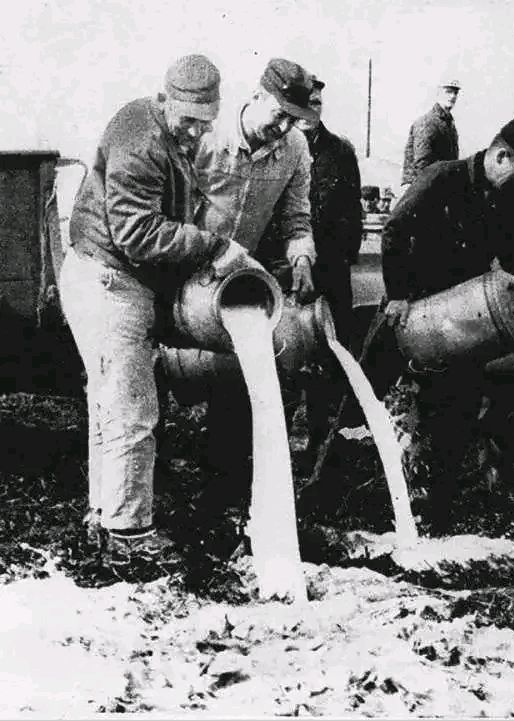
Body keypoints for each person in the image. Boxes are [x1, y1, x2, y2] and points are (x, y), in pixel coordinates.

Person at [59, 54, 256, 572]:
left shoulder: (170, 135)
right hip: (109, 281)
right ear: (164, 99)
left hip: (115, 278)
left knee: (110, 406)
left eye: (204, 121)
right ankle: (127, 536)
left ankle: (105, 517)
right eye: (188, 119)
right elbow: (137, 233)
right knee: (132, 409)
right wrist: (215, 248)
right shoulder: (140, 137)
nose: (195, 131)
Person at [372, 118, 514, 528]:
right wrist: (398, 293)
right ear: (500, 155)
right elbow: (394, 231)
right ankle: (350, 482)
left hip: (463, 315)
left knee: (458, 406)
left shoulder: (509, 197)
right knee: (373, 395)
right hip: (416, 306)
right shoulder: (442, 178)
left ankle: (436, 505)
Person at [193, 57, 318, 506]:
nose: (284, 127)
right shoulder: (206, 136)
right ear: (257, 96)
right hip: (185, 265)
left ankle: (227, 492)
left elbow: (296, 217)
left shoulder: (296, 149)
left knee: (237, 375)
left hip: (237, 274)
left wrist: (301, 258)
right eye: (279, 113)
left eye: (294, 119)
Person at [291, 74, 363, 458]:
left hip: (331, 268)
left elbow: (352, 207)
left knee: (330, 351)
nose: (309, 111)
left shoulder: (340, 151)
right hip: (290, 267)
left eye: (316, 104)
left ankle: (323, 438)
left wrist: (344, 257)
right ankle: (282, 439)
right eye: (304, 103)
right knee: (286, 348)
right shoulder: (281, 148)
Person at [401, 78, 461, 187]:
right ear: (438, 93)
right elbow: (422, 166)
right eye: (448, 92)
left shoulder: (450, 125)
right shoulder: (427, 122)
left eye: (455, 93)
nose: (453, 96)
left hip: (441, 185)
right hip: (423, 188)